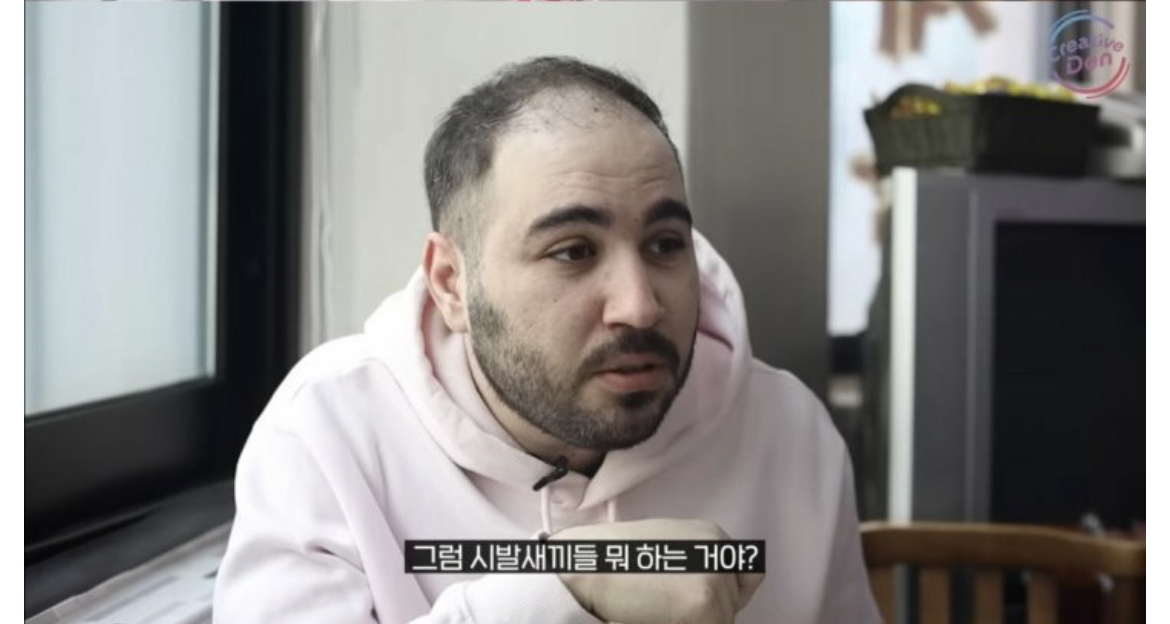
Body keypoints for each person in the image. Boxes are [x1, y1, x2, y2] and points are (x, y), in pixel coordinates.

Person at [213, 56, 880, 624]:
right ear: (451, 283)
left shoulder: (788, 432)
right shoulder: (328, 433)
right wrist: (566, 586)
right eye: (573, 251)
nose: (640, 306)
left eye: (664, 244)